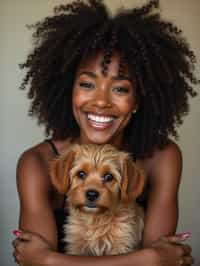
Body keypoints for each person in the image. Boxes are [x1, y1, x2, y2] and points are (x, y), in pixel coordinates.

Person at [12, 0, 198, 265]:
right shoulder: (36, 163)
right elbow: (160, 259)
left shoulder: (163, 157)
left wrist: (48, 259)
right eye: (87, 84)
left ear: (138, 100)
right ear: (69, 90)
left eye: (120, 88)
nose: (101, 101)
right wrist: (151, 257)